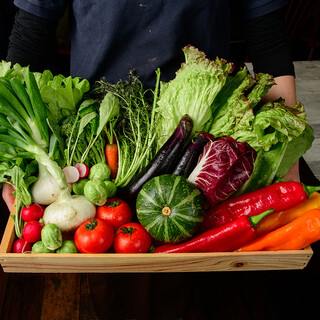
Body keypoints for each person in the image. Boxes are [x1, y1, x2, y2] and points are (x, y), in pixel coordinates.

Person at [3, 1, 301, 319]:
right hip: (100, 138)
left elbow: (267, 37)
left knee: (199, 281)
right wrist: (12, 159)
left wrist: (288, 153)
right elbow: (31, 33)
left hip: (201, 129)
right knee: (118, 287)